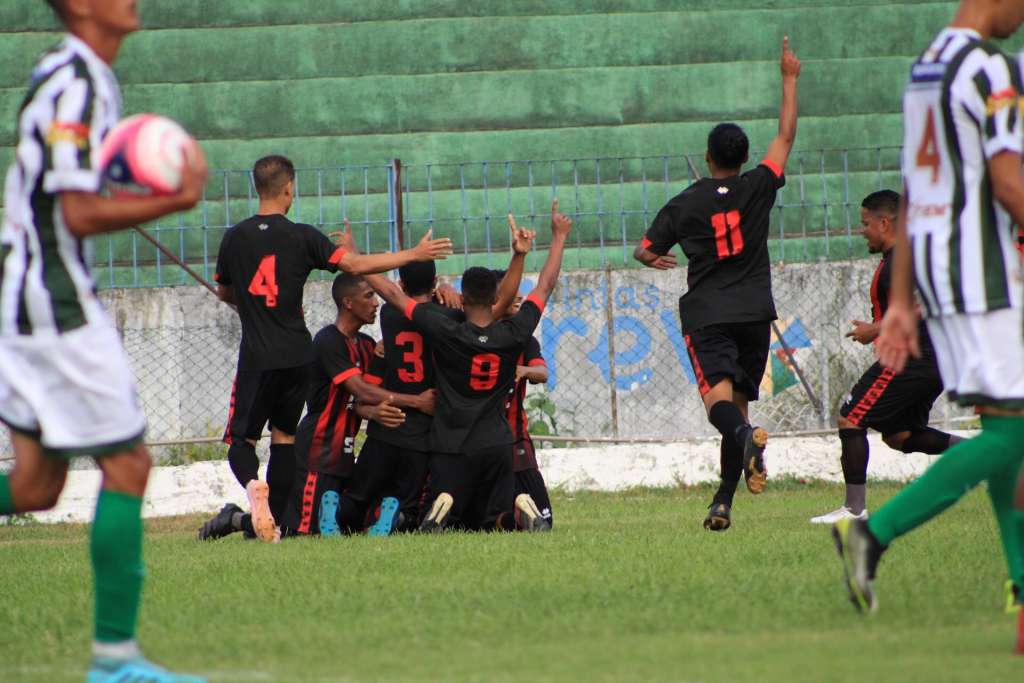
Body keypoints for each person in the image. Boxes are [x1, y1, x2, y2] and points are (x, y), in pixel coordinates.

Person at [0, 2, 209, 681]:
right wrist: (174, 200)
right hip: (54, 300)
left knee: (35, 485)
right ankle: (116, 663)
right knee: (129, 465)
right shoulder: (77, 82)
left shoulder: (76, 76)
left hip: (28, 295)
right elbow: (78, 210)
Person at [832, 0, 1024, 618]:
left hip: (943, 276)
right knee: (1015, 433)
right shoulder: (989, 69)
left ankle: (1021, 589)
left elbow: (917, 195)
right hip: (985, 274)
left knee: (1005, 430)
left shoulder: (926, 68)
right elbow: (1007, 182)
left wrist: (903, 300)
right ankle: (872, 532)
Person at [213, 155, 451, 541]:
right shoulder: (303, 236)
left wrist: (253, 306)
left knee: (243, 441)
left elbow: (225, 290)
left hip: (257, 356)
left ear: (257, 187)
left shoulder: (234, 238)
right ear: (289, 187)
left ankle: (254, 488)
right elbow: (354, 263)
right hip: (297, 353)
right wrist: (413, 255)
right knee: (285, 437)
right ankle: (276, 522)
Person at [633, 37, 801, 532]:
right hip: (754, 312)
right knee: (739, 410)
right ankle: (722, 502)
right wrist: (788, 79)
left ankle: (746, 440)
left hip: (708, 314)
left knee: (721, 410)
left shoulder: (685, 203)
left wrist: (653, 258)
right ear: (744, 157)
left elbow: (644, 248)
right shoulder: (757, 186)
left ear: (708, 157)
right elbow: (786, 138)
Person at [363, 201, 570, 532]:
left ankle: (441, 506)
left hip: (452, 443)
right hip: (498, 442)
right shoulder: (514, 333)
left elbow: (394, 295)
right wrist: (553, 239)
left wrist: (354, 260)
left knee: (456, 518)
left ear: (461, 295)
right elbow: (544, 285)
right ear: (495, 300)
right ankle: (517, 511)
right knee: (491, 521)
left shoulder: (448, 330)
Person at [323, 221, 534, 537]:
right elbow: (496, 304)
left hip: (387, 422)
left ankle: (345, 513)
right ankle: (401, 513)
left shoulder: (390, 315)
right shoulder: (450, 318)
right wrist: (448, 294)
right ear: (436, 282)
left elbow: (389, 292)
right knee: (416, 504)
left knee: (360, 495)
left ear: (403, 284)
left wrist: (354, 255)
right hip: (428, 426)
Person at [199, 273, 434, 539]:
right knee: (292, 531)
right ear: (348, 302)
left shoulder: (368, 345)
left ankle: (236, 517)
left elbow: (358, 402)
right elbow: (361, 390)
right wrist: (418, 402)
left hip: (344, 454)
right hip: (318, 451)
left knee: (346, 521)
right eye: (369, 296)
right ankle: (234, 518)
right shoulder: (328, 341)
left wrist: (373, 410)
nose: (376, 303)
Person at [810, 190, 961, 524]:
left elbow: (924, 304)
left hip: (911, 358)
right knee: (899, 435)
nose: (862, 230)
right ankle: (982, 455)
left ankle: (853, 510)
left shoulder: (903, 260)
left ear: (884, 222)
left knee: (851, 416)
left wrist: (874, 330)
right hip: (930, 359)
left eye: (865, 223)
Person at [493, 274, 554, 528]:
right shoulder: (477, 336)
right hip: (486, 444)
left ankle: (519, 512)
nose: (518, 296)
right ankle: (515, 512)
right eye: (511, 291)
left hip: (518, 439)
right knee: (477, 521)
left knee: (545, 522)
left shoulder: (525, 341)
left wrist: (524, 371)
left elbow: (542, 373)